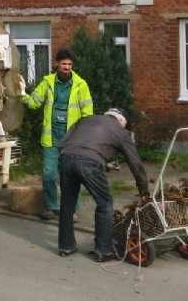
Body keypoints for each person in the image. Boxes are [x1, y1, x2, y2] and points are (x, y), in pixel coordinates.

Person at [57, 108, 150, 262]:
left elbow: (62, 144)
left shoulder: (85, 120)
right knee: (105, 204)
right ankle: (103, 251)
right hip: (90, 163)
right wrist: (144, 190)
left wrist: (101, 163)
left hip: (65, 158)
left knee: (67, 203)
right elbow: (135, 163)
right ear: (121, 121)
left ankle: (65, 247)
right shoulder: (120, 130)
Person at [22, 49, 93, 220]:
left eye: (69, 64)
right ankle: (51, 208)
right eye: (63, 64)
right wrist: (21, 94)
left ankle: (71, 210)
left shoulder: (80, 85)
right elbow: (34, 103)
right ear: (56, 64)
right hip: (51, 138)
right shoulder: (47, 83)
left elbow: (88, 112)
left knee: (71, 176)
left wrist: (84, 136)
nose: (67, 67)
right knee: (49, 175)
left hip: (72, 139)